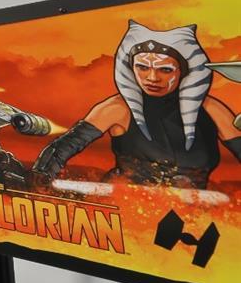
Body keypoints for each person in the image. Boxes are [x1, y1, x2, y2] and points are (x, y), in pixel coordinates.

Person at [33, 21, 241, 189]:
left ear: (184, 71)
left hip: (193, 213)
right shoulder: (118, 109)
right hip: (126, 209)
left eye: (165, 70)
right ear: (130, 67)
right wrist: (39, 180)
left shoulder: (211, 110)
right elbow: (62, 148)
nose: (152, 77)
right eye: (142, 67)